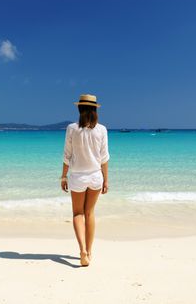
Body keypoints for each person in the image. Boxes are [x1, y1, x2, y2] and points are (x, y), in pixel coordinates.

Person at [60, 94, 110, 267]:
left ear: (79, 108)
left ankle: (82, 251)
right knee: (89, 213)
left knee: (77, 214)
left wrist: (63, 176)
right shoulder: (102, 129)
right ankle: (89, 251)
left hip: (78, 177)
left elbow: (67, 155)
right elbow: (104, 158)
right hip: (96, 176)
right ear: (95, 109)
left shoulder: (72, 128)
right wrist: (106, 180)